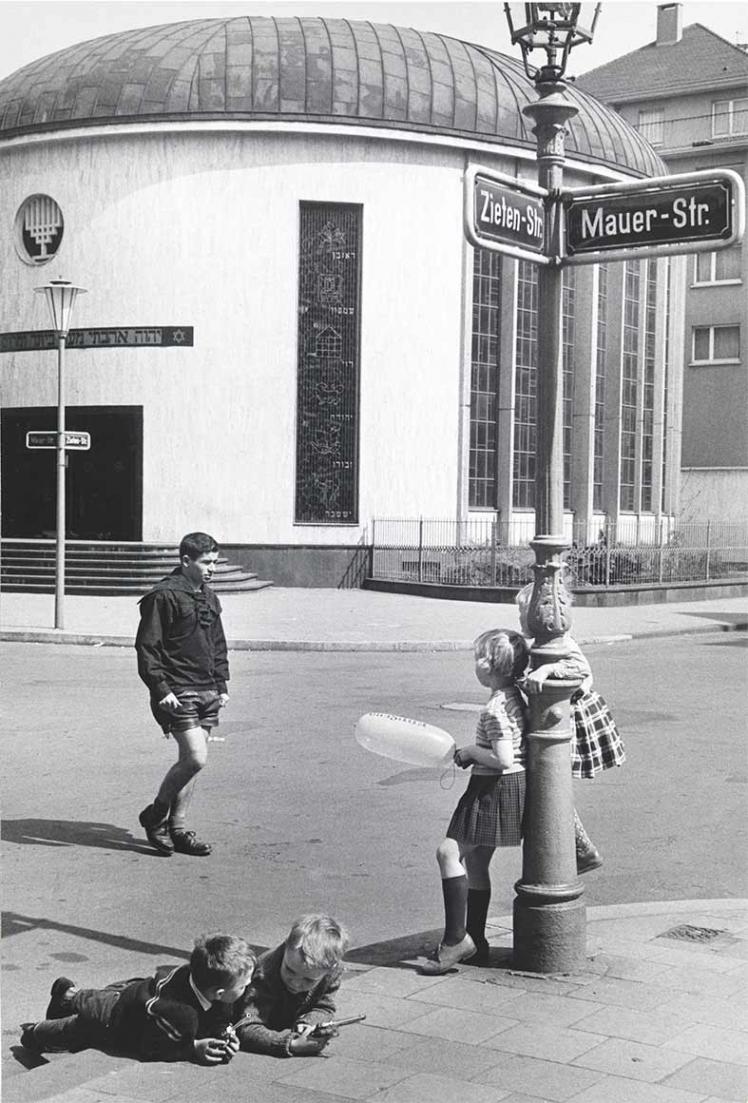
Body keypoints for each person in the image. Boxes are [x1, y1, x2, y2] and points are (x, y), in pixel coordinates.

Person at [419, 629, 530, 975]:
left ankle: (456, 940)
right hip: (512, 786)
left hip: (492, 786)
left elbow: (503, 756)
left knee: (448, 853)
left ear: (491, 665)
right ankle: (477, 942)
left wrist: (468, 751)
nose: (475, 664)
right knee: (478, 862)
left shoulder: (496, 707)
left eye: (478, 658)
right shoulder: (514, 696)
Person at [516, 582, 626, 873]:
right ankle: (575, 847)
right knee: (547, 782)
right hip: (559, 714)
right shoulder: (539, 643)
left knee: (550, 781)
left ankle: (580, 848)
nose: (520, 619)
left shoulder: (562, 641)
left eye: (523, 612)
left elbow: (581, 670)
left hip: (572, 715)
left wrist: (548, 669)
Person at [20, 934, 256, 1064]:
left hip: (137, 993)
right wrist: (193, 1048)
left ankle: (68, 995)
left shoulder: (198, 975)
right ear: (220, 994)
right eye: (244, 985)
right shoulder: (183, 1016)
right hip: (115, 1018)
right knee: (77, 1027)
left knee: (95, 998)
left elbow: (219, 1013)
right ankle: (35, 1032)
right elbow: (152, 1047)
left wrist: (225, 1031)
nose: (247, 988)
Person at [135, 532, 230, 857]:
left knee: (189, 764)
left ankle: (177, 829)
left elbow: (217, 644)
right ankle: (155, 816)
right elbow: (148, 648)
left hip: (207, 690)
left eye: (215, 562)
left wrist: (222, 684)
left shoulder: (208, 597)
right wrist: (160, 689)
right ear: (185, 560)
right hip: (177, 691)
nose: (212, 569)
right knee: (196, 758)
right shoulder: (163, 596)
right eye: (206, 562)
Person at [235, 914, 349, 1057]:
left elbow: (324, 1007)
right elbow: (246, 1026)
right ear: (286, 947)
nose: (295, 982)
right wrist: (290, 1044)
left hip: (287, 1019)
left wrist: (309, 1023)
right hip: (264, 1021)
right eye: (289, 970)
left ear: (331, 968)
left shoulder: (333, 971)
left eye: (308, 980)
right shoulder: (265, 972)